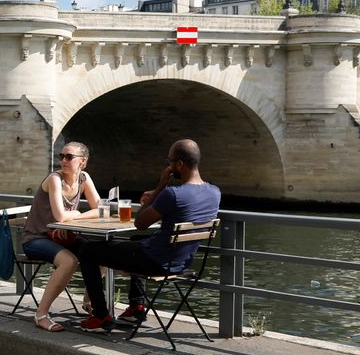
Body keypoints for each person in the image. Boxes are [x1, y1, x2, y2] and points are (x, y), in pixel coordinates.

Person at [78, 139, 221, 333]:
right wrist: (158, 195)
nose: (168, 165)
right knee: (135, 242)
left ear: (179, 164)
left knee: (88, 250)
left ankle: (101, 316)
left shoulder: (172, 194)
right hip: (181, 262)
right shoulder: (214, 192)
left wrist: (161, 185)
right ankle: (136, 307)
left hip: (155, 262)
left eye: (169, 161)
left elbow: (140, 223)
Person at [21, 142, 102, 332]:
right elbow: (60, 217)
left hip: (61, 237)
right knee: (69, 261)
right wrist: (73, 218)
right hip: (36, 238)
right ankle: (41, 315)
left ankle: (89, 301)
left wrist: (73, 218)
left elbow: (100, 208)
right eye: (61, 156)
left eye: (69, 157)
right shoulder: (54, 179)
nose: (63, 161)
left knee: (101, 254)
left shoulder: (84, 178)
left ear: (83, 161)